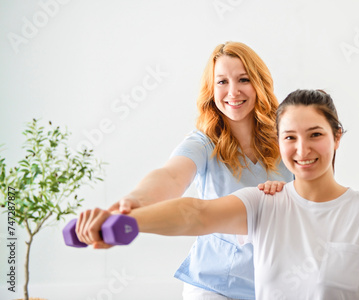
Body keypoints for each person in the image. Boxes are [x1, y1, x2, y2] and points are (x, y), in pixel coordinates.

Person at [78, 89, 359, 299]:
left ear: (337, 137)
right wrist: (125, 221)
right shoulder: (263, 203)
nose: (302, 149)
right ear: (279, 141)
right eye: (290, 137)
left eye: (315, 134)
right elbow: (194, 213)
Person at [78, 41, 293, 300]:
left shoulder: (287, 142)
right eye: (222, 82)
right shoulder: (202, 143)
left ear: (259, 84)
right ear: (211, 90)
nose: (233, 91)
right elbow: (171, 176)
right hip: (214, 286)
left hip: (275, 287)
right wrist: (134, 202)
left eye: (243, 79)